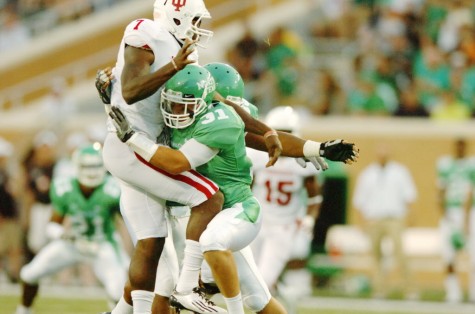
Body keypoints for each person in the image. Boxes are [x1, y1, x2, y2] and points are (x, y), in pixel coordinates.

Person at [109, 64, 359, 313]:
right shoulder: (182, 108)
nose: (227, 108)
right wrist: (110, 95)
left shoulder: (219, 120)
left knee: (186, 282)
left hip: (223, 213)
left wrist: (314, 147)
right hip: (195, 214)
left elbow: (254, 136)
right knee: (167, 283)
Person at [96, 1, 286, 313]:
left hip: (143, 149)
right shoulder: (148, 34)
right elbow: (129, 92)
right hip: (134, 146)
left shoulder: (190, 64)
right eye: (194, 19)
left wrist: (268, 130)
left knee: (151, 243)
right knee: (209, 198)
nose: (198, 26)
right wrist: (172, 67)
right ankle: (189, 288)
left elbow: (222, 104)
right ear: (176, 14)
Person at [15, 144, 130, 314]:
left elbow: (128, 221)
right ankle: (23, 310)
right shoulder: (65, 187)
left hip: (102, 244)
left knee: (117, 289)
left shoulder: (112, 189)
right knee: (29, 273)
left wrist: (124, 253)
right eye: (87, 167)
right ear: (77, 167)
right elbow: (53, 224)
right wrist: (65, 235)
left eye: (94, 166)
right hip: (73, 243)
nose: (91, 172)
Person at [248, 106, 322, 314]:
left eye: (286, 132)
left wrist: (310, 218)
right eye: (279, 130)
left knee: (261, 283)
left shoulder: (302, 162)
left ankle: (281, 299)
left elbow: (315, 195)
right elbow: (248, 187)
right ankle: (286, 297)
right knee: (250, 278)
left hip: (283, 227)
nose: (282, 137)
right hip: (257, 222)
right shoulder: (258, 156)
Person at [352, 143, 417, 298]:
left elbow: (409, 196)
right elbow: (359, 200)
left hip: (394, 218)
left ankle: (410, 290)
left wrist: (411, 216)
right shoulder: (368, 174)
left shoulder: (400, 172)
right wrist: (362, 222)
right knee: (376, 256)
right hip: (374, 219)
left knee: (400, 253)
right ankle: (380, 289)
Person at [436, 138, 474, 302]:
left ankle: (473, 292)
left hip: (468, 212)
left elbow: (470, 192)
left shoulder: (471, 165)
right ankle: (453, 292)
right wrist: (444, 215)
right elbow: (440, 191)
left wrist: (465, 220)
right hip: (450, 211)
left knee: (472, 255)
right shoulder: (445, 165)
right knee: (448, 255)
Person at [0, 137, 23, 283]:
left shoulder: (7, 174)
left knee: (14, 248)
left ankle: (13, 276)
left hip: (10, 216)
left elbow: (15, 192)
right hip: (2, 217)